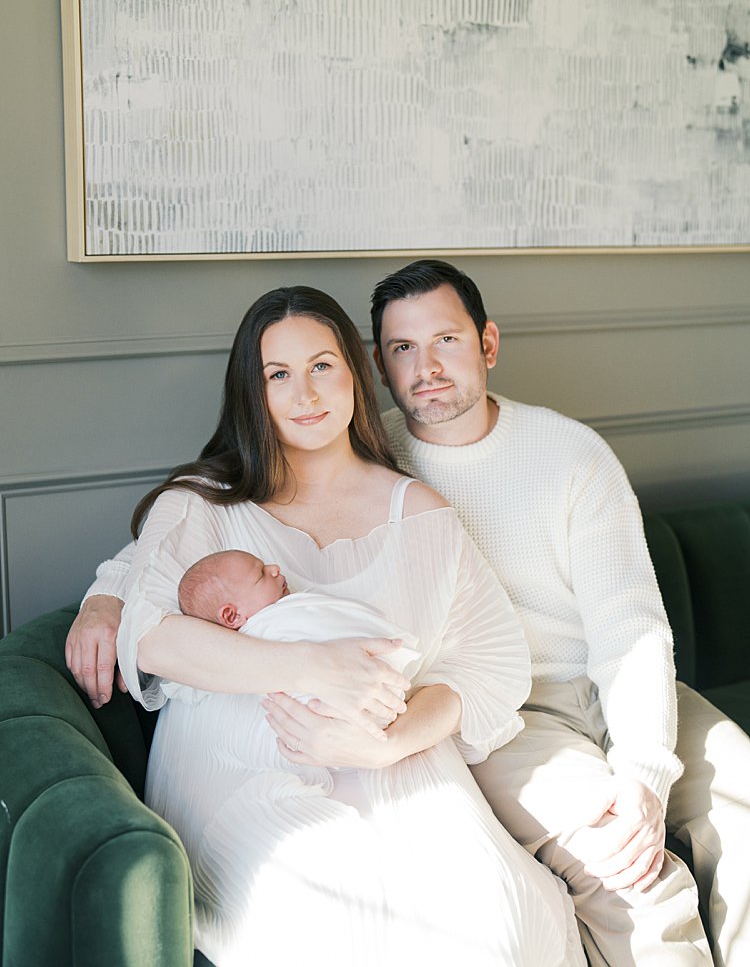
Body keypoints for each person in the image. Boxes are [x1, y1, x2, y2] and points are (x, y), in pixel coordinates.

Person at [68, 262, 750, 966]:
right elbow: (166, 583)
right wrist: (107, 597)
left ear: (485, 343)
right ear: (379, 366)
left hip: (544, 706)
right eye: (403, 348)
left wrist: (641, 772)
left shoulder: (510, 471)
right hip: (397, 743)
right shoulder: (277, 477)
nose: (426, 369)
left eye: (445, 341)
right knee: (624, 877)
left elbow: (598, 638)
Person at [99, 286, 584, 966]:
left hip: (398, 765)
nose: (305, 394)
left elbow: (487, 667)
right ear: (252, 392)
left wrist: (389, 745)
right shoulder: (202, 505)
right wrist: (313, 665)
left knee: (499, 923)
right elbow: (148, 634)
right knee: (335, 918)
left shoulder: (418, 512)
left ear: (355, 373)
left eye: (322, 366)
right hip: (244, 772)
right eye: (278, 374)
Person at [171, 548, 420, 726]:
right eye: (260, 575)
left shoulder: (283, 611)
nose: (274, 568)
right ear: (232, 615)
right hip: (343, 711)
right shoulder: (261, 639)